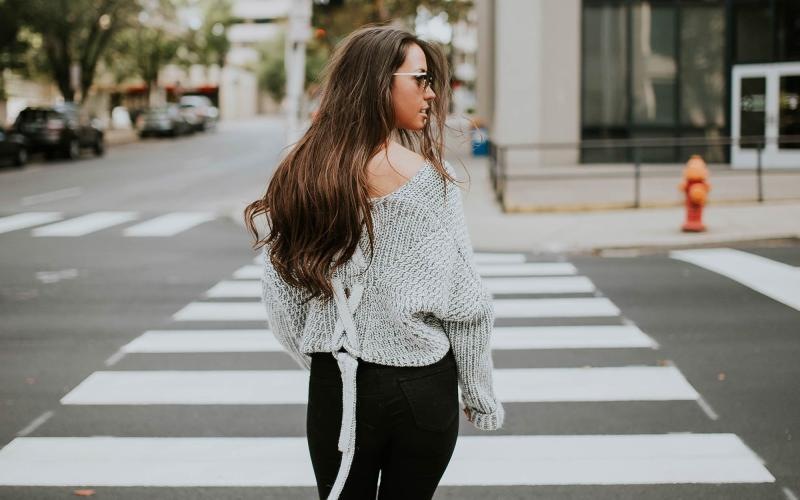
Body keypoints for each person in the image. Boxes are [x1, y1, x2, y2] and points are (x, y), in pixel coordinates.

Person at [243, 25, 503, 500]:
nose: (430, 94)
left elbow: (281, 300)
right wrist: (478, 392)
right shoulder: (427, 182)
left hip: (336, 385)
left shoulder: (305, 172)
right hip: (419, 384)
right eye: (420, 80)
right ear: (380, 83)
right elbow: (467, 303)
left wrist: (325, 362)